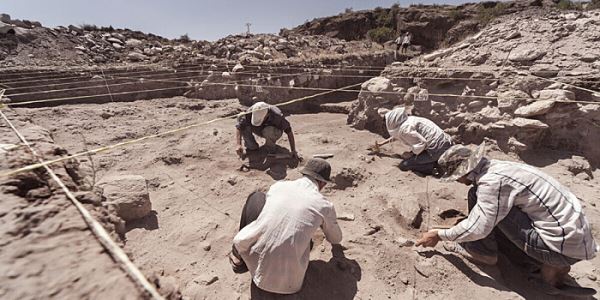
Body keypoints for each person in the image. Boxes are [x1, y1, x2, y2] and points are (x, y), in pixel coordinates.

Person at [416, 143, 598, 290]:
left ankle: (483, 252)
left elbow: (479, 227)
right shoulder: (499, 167)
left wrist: (439, 235)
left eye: (455, 176)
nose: (456, 181)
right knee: (482, 197)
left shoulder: (492, 183)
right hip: (576, 241)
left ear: (463, 172)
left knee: (485, 204)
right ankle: (550, 265)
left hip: (560, 249)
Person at [229, 158, 343, 296]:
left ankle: (239, 258)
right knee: (304, 239)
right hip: (290, 285)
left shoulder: (279, 186)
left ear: (304, 174)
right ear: (322, 183)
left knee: (257, 198)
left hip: (256, 267)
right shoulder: (325, 205)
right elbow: (336, 239)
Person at [373, 107, 453, 175]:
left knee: (404, 165)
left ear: (391, 122)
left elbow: (422, 143)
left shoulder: (404, 129)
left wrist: (411, 154)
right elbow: (397, 136)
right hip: (445, 142)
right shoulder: (408, 120)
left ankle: (432, 166)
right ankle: (432, 161)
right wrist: (381, 144)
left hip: (437, 149)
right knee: (414, 158)